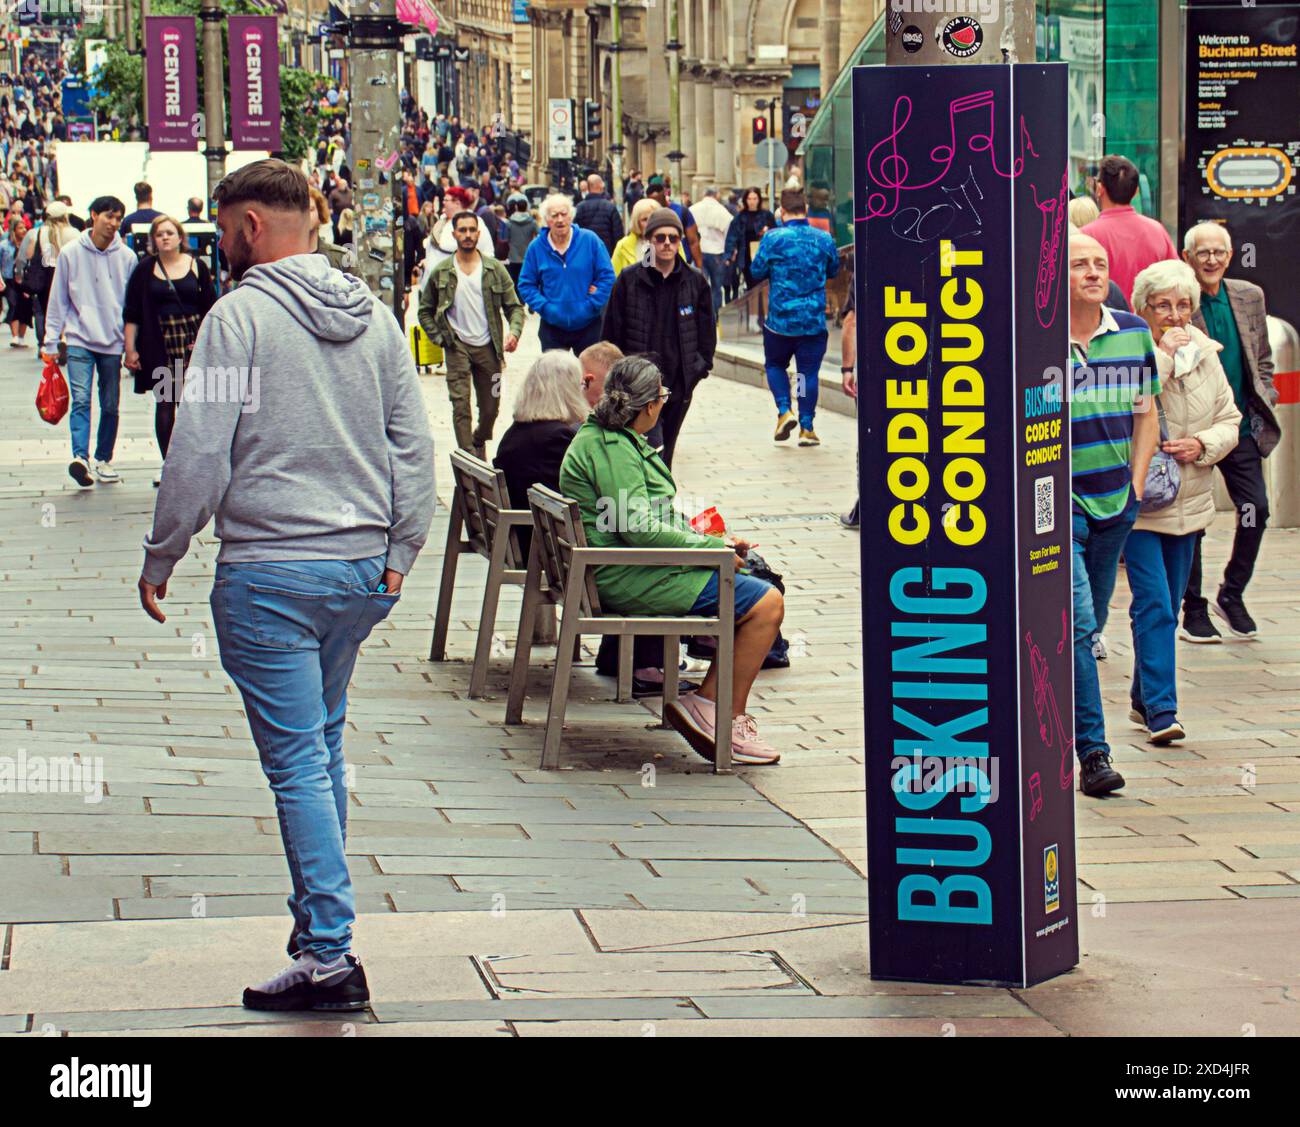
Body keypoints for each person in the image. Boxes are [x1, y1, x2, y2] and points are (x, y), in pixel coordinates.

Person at [137, 158, 435, 1013]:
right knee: (324, 748)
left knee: (300, 761)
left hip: (271, 569)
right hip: (356, 573)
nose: (220, 244)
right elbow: (410, 442)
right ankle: (314, 941)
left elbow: (199, 447)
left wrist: (164, 551)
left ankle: (333, 954)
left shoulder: (238, 320)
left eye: (226, 230)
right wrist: (400, 547)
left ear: (254, 228)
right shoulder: (375, 319)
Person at [558, 356, 785, 765]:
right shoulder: (613, 448)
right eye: (661, 397)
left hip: (625, 568)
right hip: (628, 575)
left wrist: (712, 539)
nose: (663, 404)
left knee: (753, 590)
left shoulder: (609, 438)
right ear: (648, 406)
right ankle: (717, 710)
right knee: (766, 604)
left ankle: (712, 706)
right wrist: (711, 551)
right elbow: (638, 529)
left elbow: (645, 519)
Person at [1126, 259, 1241, 744]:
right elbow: (1130, 402)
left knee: (1168, 605)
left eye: (1183, 305)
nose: (1175, 317)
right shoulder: (1130, 351)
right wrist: (1166, 357)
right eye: (1163, 306)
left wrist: (1203, 444)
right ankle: (1162, 712)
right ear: (1143, 309)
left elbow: (1230, 418)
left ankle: (1142, 695)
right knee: (1153, 603)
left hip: (1190, 501)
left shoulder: (1207, 354)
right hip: (1139, 508)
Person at [1067, 232, 1161, 797]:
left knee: (1090, 627)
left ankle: (1048, 707)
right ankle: (1093, 753)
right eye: (1080, 264)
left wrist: (1136, 483)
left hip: (1115, 504)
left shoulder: (1132, 332)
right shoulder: (1033, 337)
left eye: (1099, 264)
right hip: (1058, 509)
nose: (1093, 272)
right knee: (1079, 626)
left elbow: (1146, 412)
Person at [1179, 222, 1281, 642]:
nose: (1212, 259)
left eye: (1219, 251)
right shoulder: (1178, 297)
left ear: (1231, 254)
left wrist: (1267, 395)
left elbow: (1262, 358)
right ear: (1188, 257)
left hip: (1239, 428)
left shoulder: (1248, 295)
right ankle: (1194, 609)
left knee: (1256, 510)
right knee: (1193, 524)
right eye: (1203, 252)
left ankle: (1231, 595)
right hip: (1194, 430)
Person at [600, 207, 715, 468]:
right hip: (638, 388)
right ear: (649, 239)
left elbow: (707, 333)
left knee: (666, 453)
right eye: (660, 237)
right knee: (651, 450)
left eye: (673, 238)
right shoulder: (629, 280)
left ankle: (660, 503)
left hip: (678, 386)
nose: (666, 244)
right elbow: (611, 332)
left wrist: (699, 368)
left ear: (679, 241)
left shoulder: (695, 282)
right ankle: (653, 502)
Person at [40, 194, 135, 489]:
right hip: (80, 337)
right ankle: (80, 457)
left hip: (113, 340)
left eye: (118, 217)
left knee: (110, 404)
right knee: (81, 400)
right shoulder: (70, 253)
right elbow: (59, 299)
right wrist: (51, 341)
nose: (113, 223)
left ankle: (103, 457)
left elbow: (131, 305)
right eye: (108, 215)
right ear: (93, 215)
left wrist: (132, 344)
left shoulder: (127, 257)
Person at [419, 209, 525, 457]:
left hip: (490, 348)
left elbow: (514, 307)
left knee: (492, 406)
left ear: (478, 233)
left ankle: (479, 439)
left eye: (471, 230)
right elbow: (425, 311)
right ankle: (468, 457)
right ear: (454, 233)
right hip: (457, 347)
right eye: (462, 230)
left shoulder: (494, 269)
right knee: (460, 405)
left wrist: (515, 332)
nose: (467, 235)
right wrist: (441, 338)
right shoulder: (442, 271)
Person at [123, 215, 217, 483]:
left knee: (193, 404)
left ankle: (194, 462)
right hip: (159, 343)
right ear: (153, 240)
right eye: (159, 234)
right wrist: (130, 349)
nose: (164, 237)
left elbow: (210, 306)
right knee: (165, 403)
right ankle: (169, 465)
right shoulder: (144, 270)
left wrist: (204, 339)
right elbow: (132, 312)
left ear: (180, 237)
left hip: (191, 343)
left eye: (169, 233)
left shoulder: (196, 266)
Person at [750, 188, 839, 446]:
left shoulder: (773, 238)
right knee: (805, 374)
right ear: (806, 209)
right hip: (812, 322)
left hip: (780, 322)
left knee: (776, 365)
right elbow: (833, 270)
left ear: (782, 211)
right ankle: (807, 426)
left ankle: (783, 410)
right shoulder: (824, 239)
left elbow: (756, 271)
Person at [493, 349, 589, 561]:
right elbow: (582, 499)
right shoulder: (556, 438)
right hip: (545, 549)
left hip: (525, 537)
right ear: (567, 390)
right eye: (581, 385)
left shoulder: (518, 432)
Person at [517, 192, 614, 355]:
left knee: (590, 376)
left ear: (571, 216)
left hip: (589, 325)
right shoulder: (536, 247)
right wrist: (546, 307)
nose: (560, 219)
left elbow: (607, 276)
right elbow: (526, 284)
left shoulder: (590, 240)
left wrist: (592, 304)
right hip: (552, 326)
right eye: (554, 215)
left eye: (564, 214)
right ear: (546, 220)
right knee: (555, 377)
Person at [1081, 154, 1176, 303]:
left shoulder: (1086, 237)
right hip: (1149, 324)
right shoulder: (1158, 231)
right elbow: (1177, 280)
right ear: (1136, 191)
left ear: (1099, 189)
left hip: (1105, 323)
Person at [17, 197, 75, 347]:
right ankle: (64, 337)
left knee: (46, 310)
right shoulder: (73, 232)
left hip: (46, 274)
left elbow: (29, 255)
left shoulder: (40, 232)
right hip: (68, 273)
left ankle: (49, 341)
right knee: (69, 307)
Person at [689, 187, 733, 317]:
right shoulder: (721, 210)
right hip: (716, 252)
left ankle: (700, 314)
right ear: (717, 195)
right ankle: (715, 315)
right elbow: (729, 232)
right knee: (716, 287)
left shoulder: (693, 209)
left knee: (699, 286)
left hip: (698, 251)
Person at [725, 187, 776, 290]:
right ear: (745, 200)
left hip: (763, 254)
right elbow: (732, 236)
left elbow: (776, 233)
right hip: (746, 255)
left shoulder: (767, 215)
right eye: (749, 199)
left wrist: (767, 231)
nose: (752, 202)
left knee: (764, 284)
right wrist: (729, 255)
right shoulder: (740, 217)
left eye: (755, 198)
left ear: (759, 199)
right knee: (751, 284)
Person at [645, 175, 702, 268]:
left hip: (682, 266)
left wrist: (699, 271)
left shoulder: (681, 212)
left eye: (658, 201)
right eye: (652, 202)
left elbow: (694, 241)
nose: (656, 205)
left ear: (664, 196)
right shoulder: (645, 216)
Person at [839, 289, 859, 528]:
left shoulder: (868, 258)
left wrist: (847, 368)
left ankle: (865, 506)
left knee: (870, 441)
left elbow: (851, 322)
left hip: (880, 372)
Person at [612, 197, 671, 275]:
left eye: (654, 218)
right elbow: (613, 278)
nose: (650, 223)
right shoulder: (623, 245)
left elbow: (683, 276)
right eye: (645, 219)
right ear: (637, 222)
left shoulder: (672, 242)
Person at [573, 173, 624, 257]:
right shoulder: (610, 207)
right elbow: (618, 233)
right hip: (607, 252)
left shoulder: (579, 208)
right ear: (601, 186)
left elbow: (575, 232)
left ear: (588, 188)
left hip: (586, 251)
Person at [0, 216, 31, 345]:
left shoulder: (29, 244)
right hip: (9, 279)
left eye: (24, 227)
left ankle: (21, 337)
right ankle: (14, 336)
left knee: (25, 307)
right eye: (20, 228)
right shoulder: (4, 245)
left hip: (24, 279)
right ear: (14, 230)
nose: (24, 230)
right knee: (13, 304)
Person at [504, 196, 537, 288]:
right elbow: (539, 235)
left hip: (513, 256)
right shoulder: (532, 223)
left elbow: (506, 238)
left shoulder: (509, 223)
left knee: (513, 281)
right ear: (526, 207)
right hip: (527, 255)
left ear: (516, 207)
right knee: (527, 281)